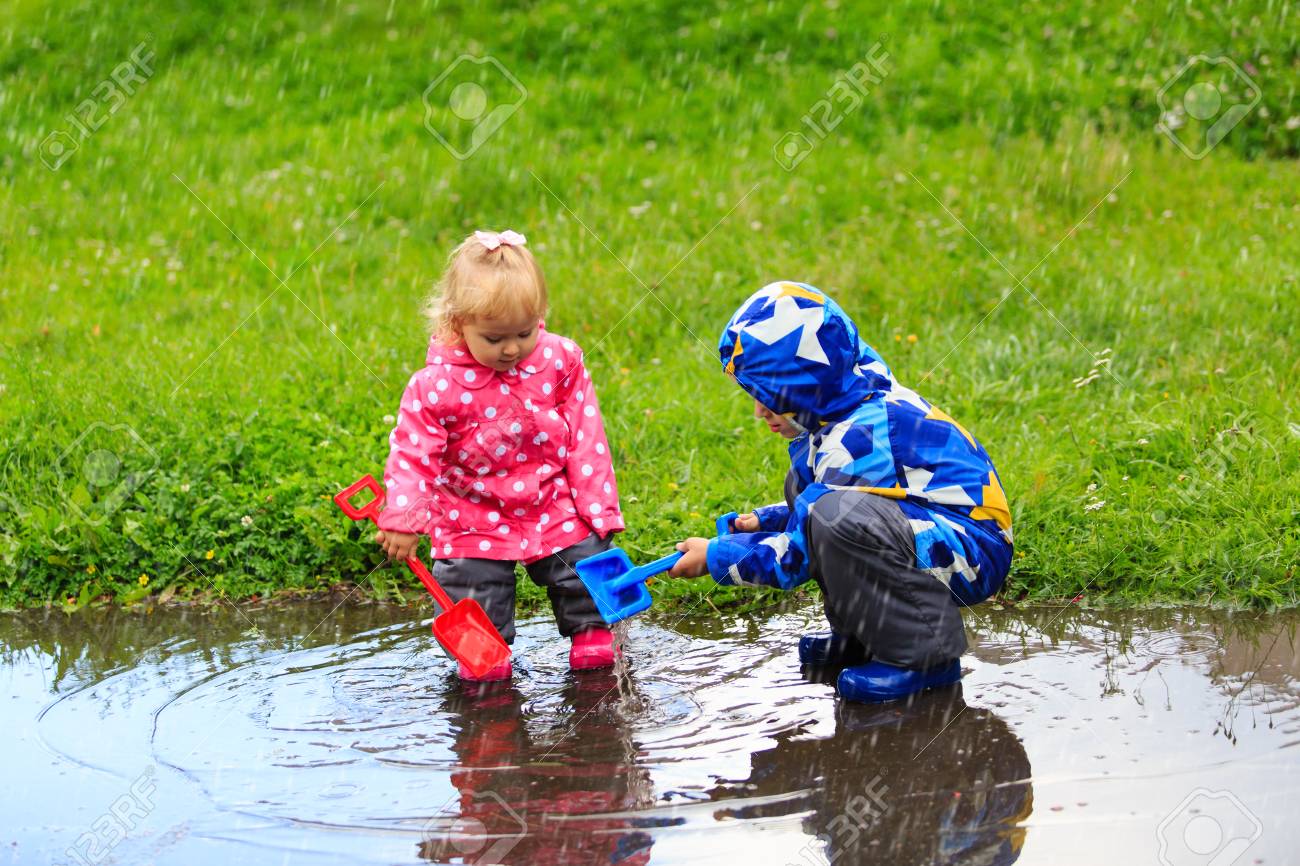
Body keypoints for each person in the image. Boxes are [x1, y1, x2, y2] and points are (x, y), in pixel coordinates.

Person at [669, 281, 1013, 702]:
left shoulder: (859, 436)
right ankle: (864, 635)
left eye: (770, 398)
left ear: (806, 387)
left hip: (973, 550)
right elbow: (842, 496)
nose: (759, 411)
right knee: (812, 497)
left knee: (839, 521)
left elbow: (798, 555)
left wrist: (717, 557)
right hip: (928, 525)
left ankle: (924, 658)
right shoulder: (841, 403)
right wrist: (768, 519)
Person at [374, 229, 625, 681]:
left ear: (539, 316)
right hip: (472, 511)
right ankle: (484, 657)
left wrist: (598, 508)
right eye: (494, 338)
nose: (511, 349)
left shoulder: (559, 360)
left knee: (583, 563)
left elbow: (587, 436)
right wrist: (404, 518)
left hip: (550, 500)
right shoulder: (434, 387)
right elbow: (414, 455)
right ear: (457, 325)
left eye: (524, 333)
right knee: (472, 590)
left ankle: (592, 632)